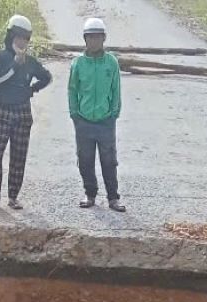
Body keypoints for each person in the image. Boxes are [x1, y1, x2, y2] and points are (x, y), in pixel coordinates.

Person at [0, 15, 52, 210]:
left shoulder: (31, 62)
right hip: (2, 111)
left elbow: (46, 77)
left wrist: (32, 89)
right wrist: (15, 64)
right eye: (18, 37)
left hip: (23, 113)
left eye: (25, 38)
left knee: (18, 157)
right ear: (10, 36)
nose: (22, 41)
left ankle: (13, 197)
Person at [68, 17, 125, 212]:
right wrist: (74, 114)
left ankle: (113, 197)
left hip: (105, 120)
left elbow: (116, 89)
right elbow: (72, 90)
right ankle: (90, 194)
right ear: (85, 39)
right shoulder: (78, 63)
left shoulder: (111, 63)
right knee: (85, 159)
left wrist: (114, 113)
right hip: (83, 120)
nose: (94, 41)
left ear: (104, 38)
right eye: (90, 37)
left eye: (98, 37)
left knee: (109, 160)